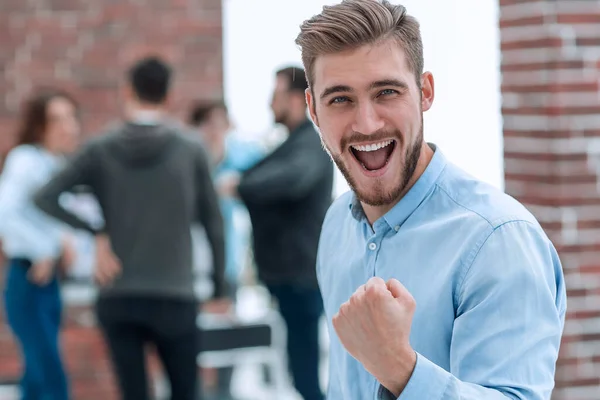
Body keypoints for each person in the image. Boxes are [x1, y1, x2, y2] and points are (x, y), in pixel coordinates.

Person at [295, 1, 567, 399]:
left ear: (425, 92)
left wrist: (401, 369)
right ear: (313, 110)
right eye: (340, 99)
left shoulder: (498, 240)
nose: (367, 123)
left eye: (386, 92)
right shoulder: (338, 223)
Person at [34, 57, 227, 400]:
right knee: (186, 392)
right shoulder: (191, 149)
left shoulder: (100, 147)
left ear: (127, 91)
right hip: (176, 296)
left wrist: (96, 229)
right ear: (168, 95)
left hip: (118, 294)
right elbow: (214, 222)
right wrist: (218, 287)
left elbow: (46, 197)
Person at [219, 66, 333, 400]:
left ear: (298, 100)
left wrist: (240, 185)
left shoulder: (311, 144)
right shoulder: (290, 144)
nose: (271, 104)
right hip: (289, 276)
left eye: (276, 96)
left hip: (301, 275)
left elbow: (290, 179)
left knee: (306, 377)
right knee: (300, 373)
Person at [0, 88, 80, 400]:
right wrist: (43, 251)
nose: (68, 126)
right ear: (39, 125)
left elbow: (53, 220)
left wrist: (62, 243)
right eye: (57, 119)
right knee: (50, 377)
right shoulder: (26, 159)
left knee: (36, 378)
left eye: (71, 117)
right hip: (29, 278)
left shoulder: (57, 164)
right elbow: (5, 213)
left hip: (49, 283)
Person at [188, 100, 264, 399]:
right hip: (190, 270)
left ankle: (223, 393)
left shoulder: (239, 158)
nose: (215, 132)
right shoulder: (188, 161)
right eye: (208, 124)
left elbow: (267, 161)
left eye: (221, 124)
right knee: (190, 344)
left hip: (227, 268)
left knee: (226, 344)